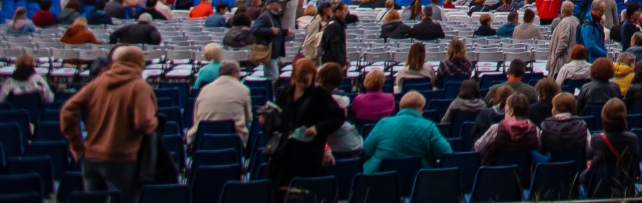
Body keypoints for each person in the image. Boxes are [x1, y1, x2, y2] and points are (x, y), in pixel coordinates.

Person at [61, 45, 158, 198]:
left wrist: (77, 144)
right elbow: (143, 123)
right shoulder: (139, 87)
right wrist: (155, 122)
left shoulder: (98, 82)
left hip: (91, 156)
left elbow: (68, 110)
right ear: (140, 63)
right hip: (121, 159)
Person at [267, 58, 347, 192]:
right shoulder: (286, 92)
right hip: (285, 151)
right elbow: (279, 121)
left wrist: (317, 128)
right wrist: (268, 121)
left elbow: (337, 117)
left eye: (305, 81)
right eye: (298, 81)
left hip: (307, 153)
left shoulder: (319, 94)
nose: (301, 85)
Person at [362, 90, 451, 172]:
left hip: (379, 177)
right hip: (417, 180)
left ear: (401, 106)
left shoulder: (383, 123)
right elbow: (446, 152)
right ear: (421, 108)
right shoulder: (429, 127)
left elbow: (367, 149)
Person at [584, 98, 639, 198]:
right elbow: (636, 169)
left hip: (600, 192)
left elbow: (589, 161)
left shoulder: (597, 139)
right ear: (624, 117)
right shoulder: (633, 139)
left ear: (603, 117)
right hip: (624, 191)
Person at [188, 61, 251, 145]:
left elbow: (196, 118)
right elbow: (248, 118)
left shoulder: (205, 89)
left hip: (205, 141)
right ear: (234, 72)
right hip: (233, 143)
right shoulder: (243, 90)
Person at [473, 90, 544, 159]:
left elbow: (478, 148)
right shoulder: (535, 130)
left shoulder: (495, 129)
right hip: (523, 170)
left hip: (496, 169)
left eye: (506, 106)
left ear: (511, 110)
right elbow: (539, 149)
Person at [538, 92, 589, 160]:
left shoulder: (545, 127)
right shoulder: (582, 125)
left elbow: (540, 149)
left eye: (553, 106)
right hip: (576, 168)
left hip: (551, 168)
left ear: (555, 110)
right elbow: (589, 150)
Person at [546, 2, 580, 81]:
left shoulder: (565, 22)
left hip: (564, 58)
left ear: (562, 10)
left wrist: (556, 55)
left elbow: (563, 41)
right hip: (571, 55)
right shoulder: (576, 20)